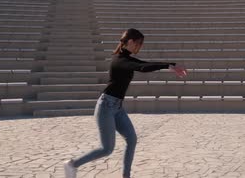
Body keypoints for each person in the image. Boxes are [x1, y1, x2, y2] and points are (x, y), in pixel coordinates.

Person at [64, 28, 187, 178]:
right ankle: (72, 165)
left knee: (132, 139)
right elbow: (142, 67)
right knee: (106, 149)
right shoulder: (120, 61)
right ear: (130, 41)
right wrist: (169, 66)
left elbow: (143, 63)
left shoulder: (126, 58)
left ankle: (126, 176)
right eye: (138, 43)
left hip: (117, 107)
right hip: (106, 107)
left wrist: (171, 64)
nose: (139, 47)